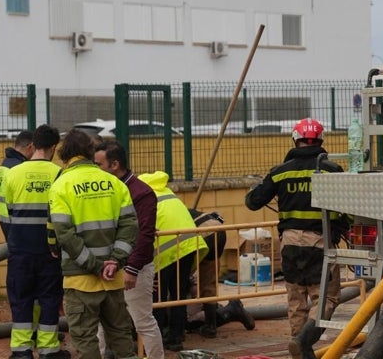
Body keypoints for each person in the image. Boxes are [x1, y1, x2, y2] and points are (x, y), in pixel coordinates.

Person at [244, 118, 350, 359]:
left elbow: (252, 202)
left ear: (295, 139)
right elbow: (347, 207)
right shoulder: (331, 170)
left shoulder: (280, 172)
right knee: (327, 297)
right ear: (321, 141)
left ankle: (300, 351)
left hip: (289, 243)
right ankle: (304, 342)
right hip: (320, 243)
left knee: (296, 301)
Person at [48, 129, 138, 359]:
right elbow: (129, 226)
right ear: (90, 152)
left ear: (65, 154)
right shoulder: (114, 183)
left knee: (86, 339)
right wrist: (115, 261)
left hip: (81, 281)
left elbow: (63, 234)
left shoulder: (61, 185)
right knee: (121, 335)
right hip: (113, 278)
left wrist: (94, 265)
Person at [92, 139, 164, 359]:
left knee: (142, 320)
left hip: (134, 268)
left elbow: (144, 234)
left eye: (99, 164)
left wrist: (132, 268)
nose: (95, 170)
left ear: (114, 165)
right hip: (110, 265)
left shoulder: (142, 193)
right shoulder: (106, 189)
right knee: (101, 322)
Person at [2, 125, 66, 359]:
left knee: (21, 298)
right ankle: (49, 350)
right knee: (50, 298)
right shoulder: (60, 174)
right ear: (53, 148)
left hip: (20, 248)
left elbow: (8, 209)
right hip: (50, 250)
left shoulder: (12, 173)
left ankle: (21, 351)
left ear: (33, 145)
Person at [139, 171, 209, 352]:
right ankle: (177, 336)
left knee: (158, 297)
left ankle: (158, 338)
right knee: (178, 293)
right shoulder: (168, 192)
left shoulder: (141, 197)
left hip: (164, 252)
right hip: (188, 246)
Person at [187, 209, 255, 338]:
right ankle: (211, 326)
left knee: (184, 320)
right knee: (209, 283)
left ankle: (227, 313)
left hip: (199, 234)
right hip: (216, 228)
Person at [0, 130, 35, 238]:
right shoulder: (19, 169)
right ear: (31, 146)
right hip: (18, 227)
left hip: (6, 224)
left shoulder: (3, 166)